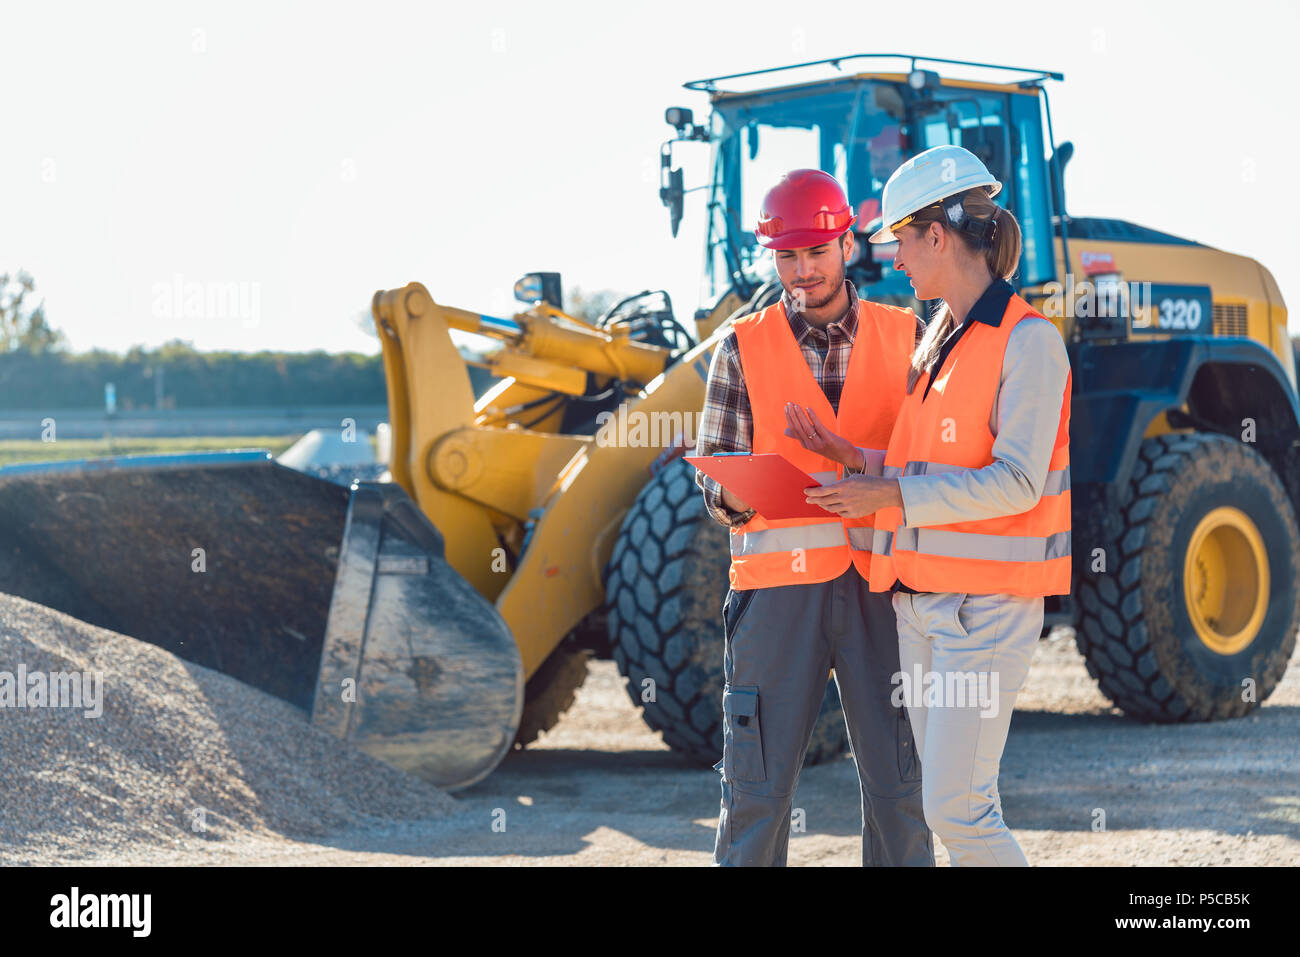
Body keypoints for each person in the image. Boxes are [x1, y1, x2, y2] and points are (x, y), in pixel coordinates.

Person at [796, 145, 1071, 866]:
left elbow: (1017, 480)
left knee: (958, 806)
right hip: (921, 606)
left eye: (899, 242)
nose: (894, 261)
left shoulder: (1030, 343)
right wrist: (854, 456)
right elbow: (926, 469)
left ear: (938, 236)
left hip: (983, 610)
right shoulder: (939, 343)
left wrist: (888, 492)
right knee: (946, 803)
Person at [694, 168, 934, 867]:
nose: (802, 272)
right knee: (757, 792)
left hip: (886, 588)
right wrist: (741, 492)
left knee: (900, 788)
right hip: (776, 598)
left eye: (816, 253)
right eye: (787, 257)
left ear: (848, 244)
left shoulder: (910, 337)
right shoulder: (741, 345)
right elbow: (718, 484)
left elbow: (930, 465)